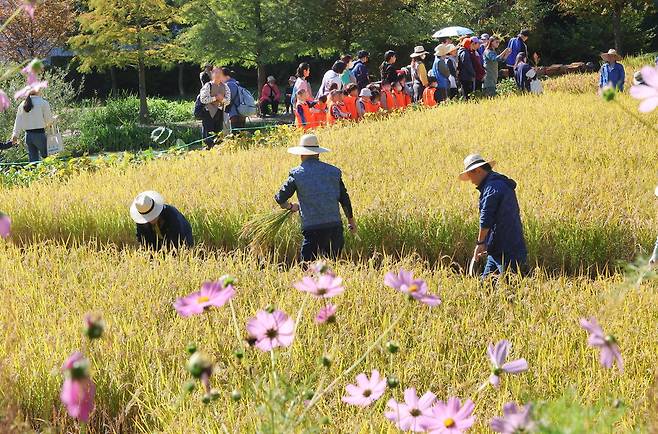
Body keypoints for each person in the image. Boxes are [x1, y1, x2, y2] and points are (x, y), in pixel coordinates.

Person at [274, 134, 356, 262]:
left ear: (301, 155)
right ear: (318, 153)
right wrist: (351, 221)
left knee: (308, 270)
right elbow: (344, 198)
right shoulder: (333, 172)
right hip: (335, 228)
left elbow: (280, 197)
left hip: (312, 230)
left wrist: (290, 207)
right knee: (332, 269)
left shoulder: (297, 174)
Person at [458, 154, 527, 278]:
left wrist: (480, 243)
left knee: (508, 287)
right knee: (487, 286)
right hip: (500, 247)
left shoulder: (491, 188)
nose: (471, 180)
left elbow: (486, 219)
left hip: (506, 250)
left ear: (478, 170)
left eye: (470, 175)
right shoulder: (499, 184)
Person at [10, 89, 54, 162]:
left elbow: (18, 122)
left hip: (28, 136)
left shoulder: (22, 104)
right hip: (39, 135)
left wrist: (15, 135)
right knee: (48, 158)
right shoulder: (43, 102)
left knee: (33, 162)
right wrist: (54, 119)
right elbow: (49, 121)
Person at [199, 67, 229, 149]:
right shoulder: (207, 86)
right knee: (207, 136)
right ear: (212, 75)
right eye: (215, 73)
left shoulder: (225, 87)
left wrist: (222, 99)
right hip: (208, 113)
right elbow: (203, 99)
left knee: (218, 134)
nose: (218, 75)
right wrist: (215, 98)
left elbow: (228, 101)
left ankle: (218, 150)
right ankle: (208, 150)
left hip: (219, 113)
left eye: (219, 73)